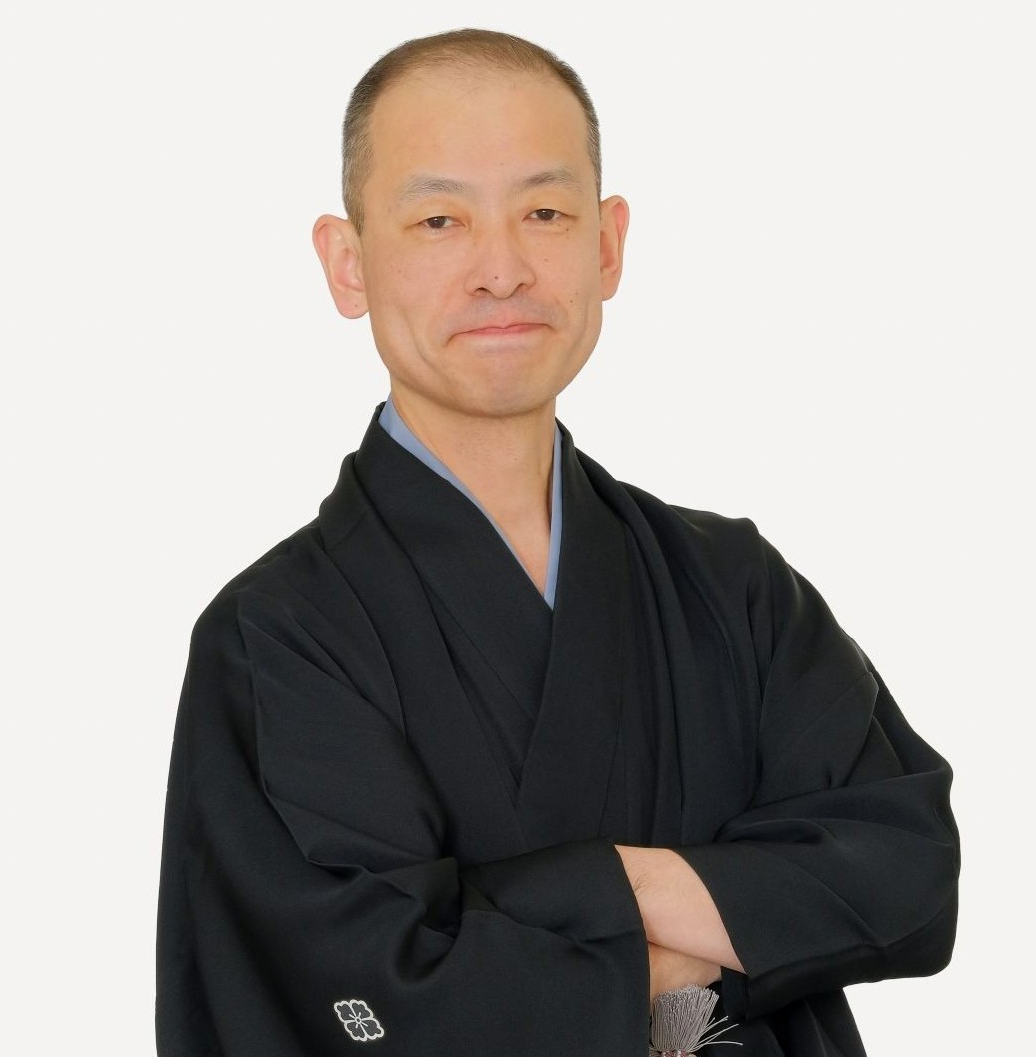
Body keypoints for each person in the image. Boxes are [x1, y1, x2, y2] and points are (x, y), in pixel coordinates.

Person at [155, 28, 959, 1057]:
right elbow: (351, 990)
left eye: (543, 213)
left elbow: (905, 872)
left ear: (607, 245)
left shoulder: (733, 586)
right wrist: (741, 928)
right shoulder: (276, 634)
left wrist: (584, 896)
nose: (501, 270)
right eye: (439, 220)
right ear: (347, 264)